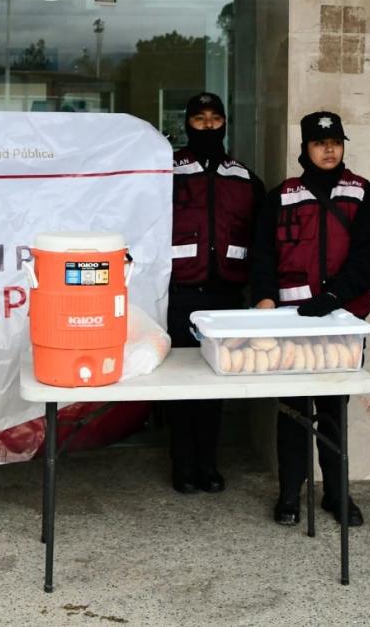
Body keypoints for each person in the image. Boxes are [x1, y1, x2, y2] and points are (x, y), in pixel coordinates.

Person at [250, 111, 370, 527]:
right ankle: (289, 494)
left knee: (333, 411)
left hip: (341, 322)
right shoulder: (281, 196)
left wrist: (334, 296)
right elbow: (263, 255)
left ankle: (336, 494)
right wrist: (264, 300)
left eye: (335, 142)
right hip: (291, 323)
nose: (329, 150)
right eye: (319, 143)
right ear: (305, 148)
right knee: (292, 411)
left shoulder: (362, 193)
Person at [167, 92, 265, 493]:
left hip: (226, 297)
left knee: (214, 384)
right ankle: (182, 465)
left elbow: (262, 242)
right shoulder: (166, 171)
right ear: (187, 123)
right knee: (179, 384)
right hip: (179, 294)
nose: (208, 126)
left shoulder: (244, 179)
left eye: (215, 119)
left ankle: (208, 464)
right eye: (200, 119)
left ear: (225, 123)